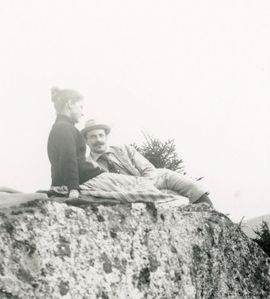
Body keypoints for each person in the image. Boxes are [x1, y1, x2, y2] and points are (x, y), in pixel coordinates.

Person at [81, 119, 215, 208]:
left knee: (191, 186)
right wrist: (144, 191)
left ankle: (214, 215)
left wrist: (146, 185)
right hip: (131, 191)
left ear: (106, 137)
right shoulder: (88, 165)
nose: (98, 140)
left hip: (154, 179)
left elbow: (149, 169)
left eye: (101, 135)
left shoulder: (123, 149)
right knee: (173, 198)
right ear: (86, 141)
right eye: (93, 137)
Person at [47, 87, 105, 198]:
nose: (82, 113)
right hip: (87, 178)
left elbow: (58, 164)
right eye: (81, 107)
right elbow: (68, 159)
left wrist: (55, 184)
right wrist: (73, 188)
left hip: (81, 178)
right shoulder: (64, 127)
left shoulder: (60, 127)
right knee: (136, 184)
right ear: (70, 104)